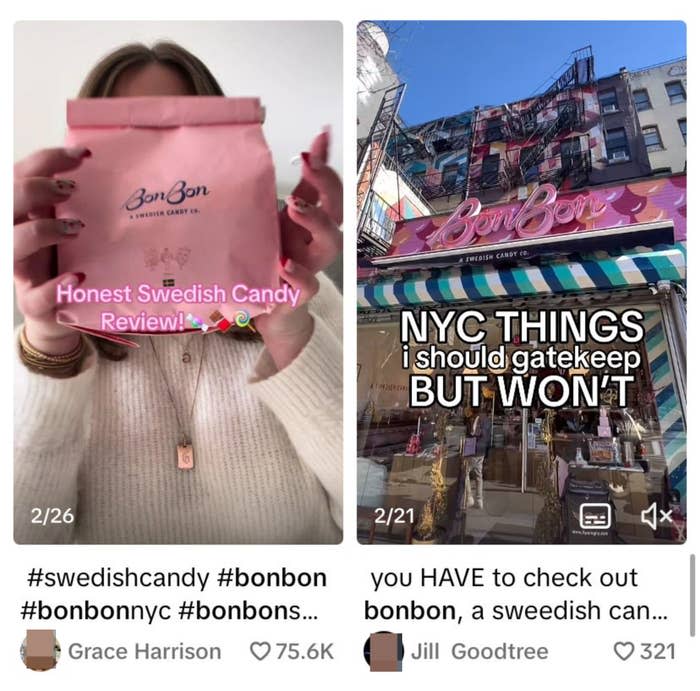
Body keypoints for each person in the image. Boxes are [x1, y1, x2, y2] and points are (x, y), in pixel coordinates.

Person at [14, 42, 343, 544]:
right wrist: (49, 350)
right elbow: (29, 541)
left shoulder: (304, 298)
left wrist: (286, 328)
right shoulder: (40, 339)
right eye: (126, 148)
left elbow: (360, 513)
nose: (161, 177)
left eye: (183, 142)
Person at [463, 402, 492, 510]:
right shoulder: (487, 420)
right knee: (479, 475)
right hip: (482, 451)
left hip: (472, 449)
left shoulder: (473, 419)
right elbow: (489, 438)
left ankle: (469, 498)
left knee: (465, 473)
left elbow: (472, 433)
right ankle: (479, 500)